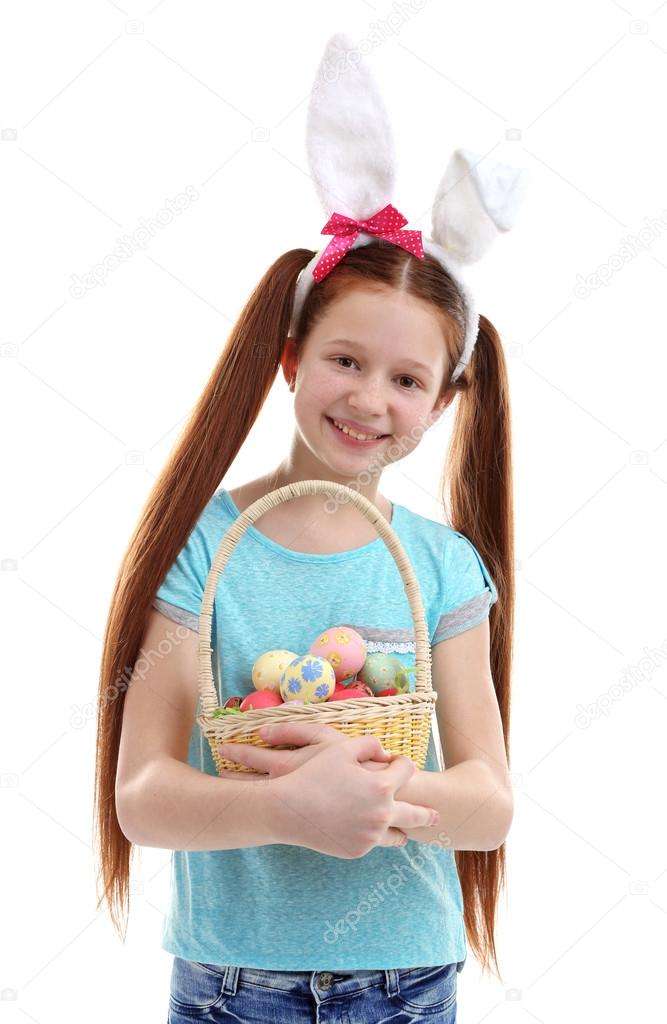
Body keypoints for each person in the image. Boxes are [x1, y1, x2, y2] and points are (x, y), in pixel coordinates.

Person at [93, 32, 525, 1023]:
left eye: (407, 378)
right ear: (290, 357)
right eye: (344, 360)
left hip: (404, 983)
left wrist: (375, 794)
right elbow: (143, 793)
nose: (369, 398)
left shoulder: (440, 567)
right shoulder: (206, 549)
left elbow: (488, 798)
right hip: (230, 985)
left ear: (444, 401)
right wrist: (284, 807)